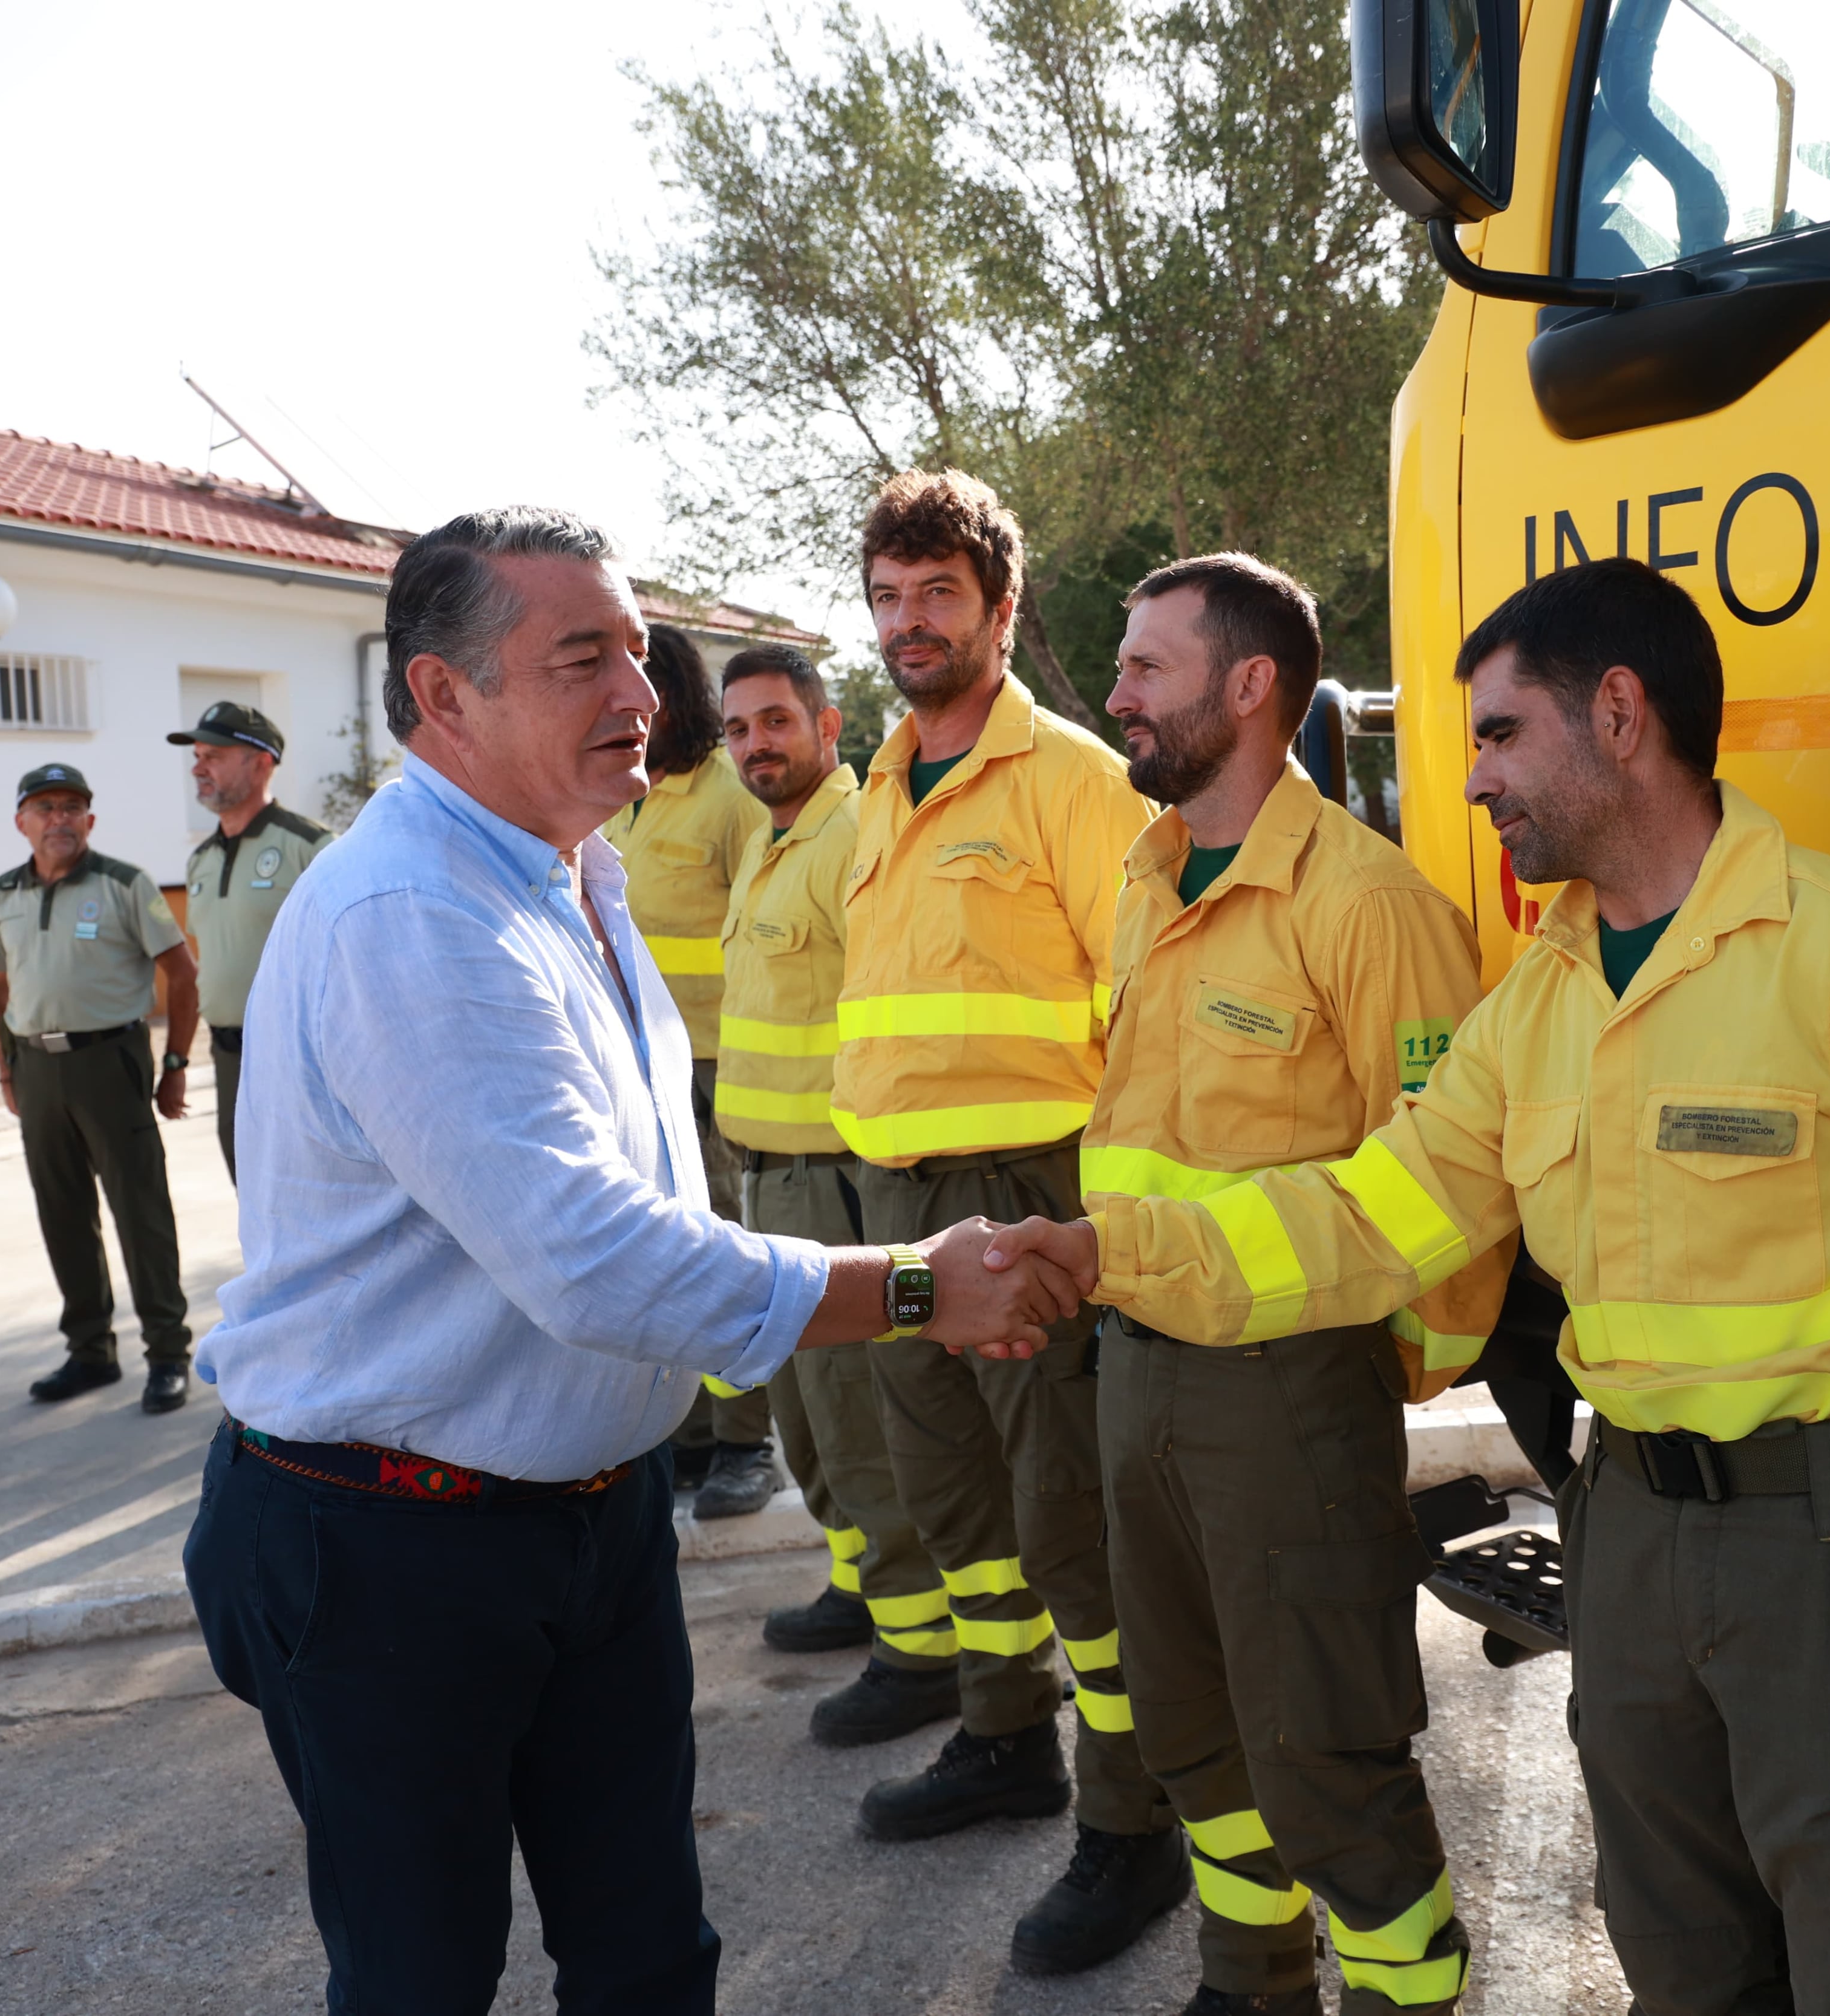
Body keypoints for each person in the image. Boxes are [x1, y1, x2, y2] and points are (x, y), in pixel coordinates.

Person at [993, 556, 1830, 2015]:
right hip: (1632, 1545)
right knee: (1682, 1956)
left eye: (1496, 734)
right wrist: (1109, 1257)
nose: (1469, 778)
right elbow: (1367, 1219)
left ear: (1618, 716)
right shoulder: (1539, 1006)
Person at [181, 506, 1082, 2016]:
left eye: (636, 653)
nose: (639, 696)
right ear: (442, 698)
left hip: (585, 1529)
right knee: (419, 1978)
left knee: (649, 1953)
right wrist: (915, 1285)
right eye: (580, 659)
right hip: (391, 1550)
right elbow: (598, 1261)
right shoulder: (415, 909)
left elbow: (647, 1201)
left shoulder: (564, 870)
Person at [1084, 555, 1512, 2016]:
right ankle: (1249, 1977)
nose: (1119, 693)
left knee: (1323, 1750)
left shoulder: (1368, 903)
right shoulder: (1145, 881)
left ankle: (1403, 1995)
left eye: (1147, 667)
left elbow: (1454, 1183)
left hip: (1287, 1387)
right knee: (1192, 1727)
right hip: (1134, 1360)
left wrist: (1386, 1374)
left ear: (1249, 684)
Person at [834, 468, 1186, 1975]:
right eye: (889, 598)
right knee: (956, 1510)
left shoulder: (1075, 783)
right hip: (897, 1205)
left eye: (938, 596)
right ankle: (1002, 1740)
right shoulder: (876, 780)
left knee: (1070, 1530)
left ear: (1000, 606)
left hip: (1029, 1193)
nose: (909, 625)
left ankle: (1131, 1823)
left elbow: (1147, 1027)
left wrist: (1092, 1230)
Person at [714, 642, 962, 1747]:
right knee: (812, 1430)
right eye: (737, 729)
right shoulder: (773, 843)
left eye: (774, 721)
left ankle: (923, 1653)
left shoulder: (851, 838)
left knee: (865, 1431)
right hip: (768, 1177)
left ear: (828, 725)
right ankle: (864, 1591)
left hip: (837, 1178)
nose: (754, 744)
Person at [609, 623, 781, 1517]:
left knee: (719, 1249)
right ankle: (689, 1434)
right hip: (630, 1061)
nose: (629, 703)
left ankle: (748, 1444)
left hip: (718, 1064)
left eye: (648, 686)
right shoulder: (612, 796)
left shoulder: (729, 796)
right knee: (657, 1251)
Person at [0, 763, 201, 1413]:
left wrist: (176, 1062)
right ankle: (90, 1353)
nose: (60, 819)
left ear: (90, 821)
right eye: (45, 808)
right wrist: (5, 1068)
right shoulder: (0, 895)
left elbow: (182, 976)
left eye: (72, 807)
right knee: (62, 1211)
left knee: (140, 1212)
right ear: (22, 822)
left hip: (111, 1059)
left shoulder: (126, 884)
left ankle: (167, 1354)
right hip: (36, 1066)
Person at [172, 699, 329, 1179]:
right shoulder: (199, 861)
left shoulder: (313, 848)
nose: (198, 767)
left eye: (213, 755)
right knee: (250, 1194)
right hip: (228, 1058)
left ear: (262, 762)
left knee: (309, 1192)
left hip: (297, 1058)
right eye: (197, 755)